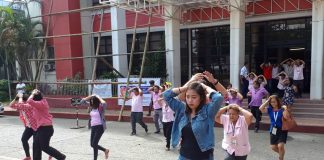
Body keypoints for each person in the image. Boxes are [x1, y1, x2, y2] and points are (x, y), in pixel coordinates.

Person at [163, 72, 225, 160]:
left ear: (201, 97)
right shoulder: (182, 109)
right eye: (187, 97)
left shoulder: (208, 111)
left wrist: (205, 87)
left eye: (194, 97)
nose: (190, 100)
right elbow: (166, 95)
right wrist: (187, 86)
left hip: (203, 157)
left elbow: (218, 98)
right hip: (184, 156)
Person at [27, 89, 66, 160]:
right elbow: (28, 104)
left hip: (46, 128)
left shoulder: (41, 104)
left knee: (44, 147)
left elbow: (29, 101)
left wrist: (32, 94)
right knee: (36, 145)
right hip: (40, 128)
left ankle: (61, 157)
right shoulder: (37, 104)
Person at [259, 95, 291, 160]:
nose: (273, 103)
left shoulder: (282, 109)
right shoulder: (270, 109)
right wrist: (267, 100)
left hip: (282, 129)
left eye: (274, 102)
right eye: (271, 102)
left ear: (278, 102)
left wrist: (285, 109)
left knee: (280, 146)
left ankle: (281, 158)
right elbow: (261, 108)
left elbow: (286, 117)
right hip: (273, 129)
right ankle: (281, 153)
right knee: (273, 147)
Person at [9, 93, 37, 160]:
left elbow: (20, 105)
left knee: (38, 144)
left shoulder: (28, 105)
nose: (19, 102)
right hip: (29, 127)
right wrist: (16, 98)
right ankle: (28, 157)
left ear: (24, 100)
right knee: (24, 139)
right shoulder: (21, 105)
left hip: (36, 126)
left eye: (20, 100)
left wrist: (20, 97)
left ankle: (50, 153)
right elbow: (11, 105)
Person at [81, 94, 109, 160]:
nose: (91, 102)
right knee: (92, 144)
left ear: (96, 101)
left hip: (100, 127)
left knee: (94, 143)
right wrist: (90, 96)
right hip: (93, 127)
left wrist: (98, 96)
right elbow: (82, 102)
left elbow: (104, 103)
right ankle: (105, 150)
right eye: (91, 101)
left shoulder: (100, 107)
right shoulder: (91, 106)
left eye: (93, 101)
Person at [158, 85, 174, 151]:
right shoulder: (163, 104)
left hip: (171, 121)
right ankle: (168, 138)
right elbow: (159, 98)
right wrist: (163, 97)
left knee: (168, 134)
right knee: (165, 134)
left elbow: (173, 98)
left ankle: (168, 146)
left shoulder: (172, 104)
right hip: (164, 121)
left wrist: (168, 91)